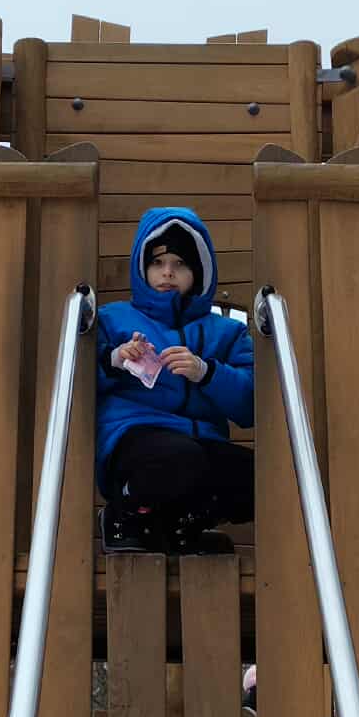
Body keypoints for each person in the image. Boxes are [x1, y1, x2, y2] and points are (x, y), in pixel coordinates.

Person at [95, 208, 255, 555]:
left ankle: (180, 528)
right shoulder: (112, 319)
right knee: (179, 459)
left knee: (261, 478)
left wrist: (206, 372)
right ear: (142, 269)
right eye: (157, 262)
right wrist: (116, 359)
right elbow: (80, 380)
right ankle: (124, 516)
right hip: (135, 437)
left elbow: (250, 406)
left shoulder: (227, 333)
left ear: (198, 272)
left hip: (200, 440)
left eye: (180, 263)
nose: (167, 272)